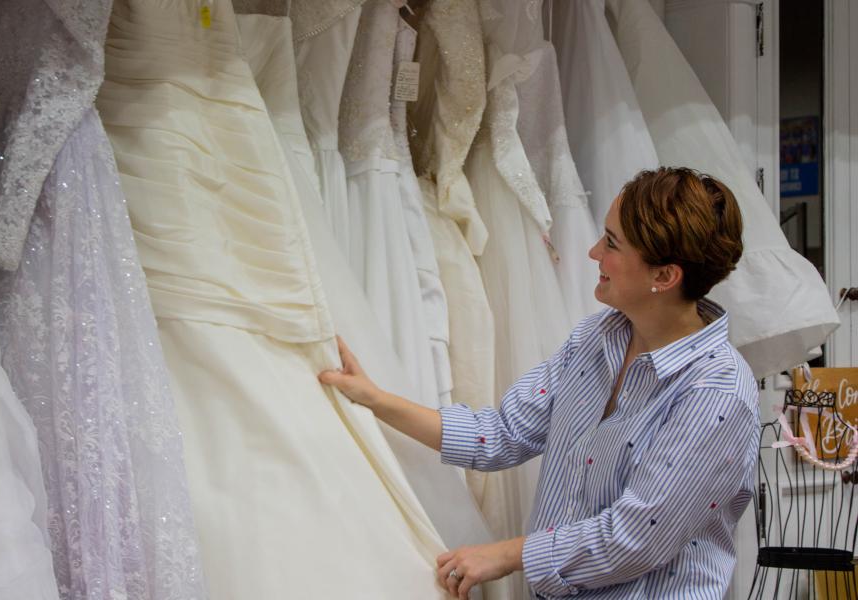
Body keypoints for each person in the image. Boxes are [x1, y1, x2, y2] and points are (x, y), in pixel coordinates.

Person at [319, 167, 760, 599]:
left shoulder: (716, 396)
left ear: (664, 276)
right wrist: (376, 400)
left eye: (611, 243)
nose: (592, 253)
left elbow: (634, 538)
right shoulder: (596, 339)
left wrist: (508, 555)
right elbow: (501, 433)